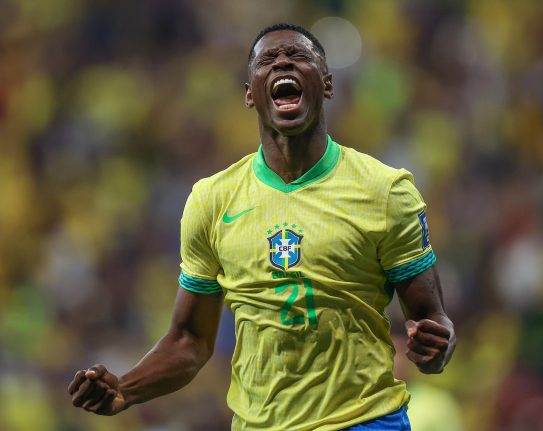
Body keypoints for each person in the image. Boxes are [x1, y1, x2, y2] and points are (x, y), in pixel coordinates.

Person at [68, 23, 456, 430]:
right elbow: (189, 341)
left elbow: (433, 322)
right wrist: (126, 389)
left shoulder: (385, 191)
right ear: (250, 94)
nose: (283, 61)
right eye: (267, 60)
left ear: (326, 85)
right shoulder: (213, 201)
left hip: (363, 421)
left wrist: (434, 349)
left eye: (298, 55)